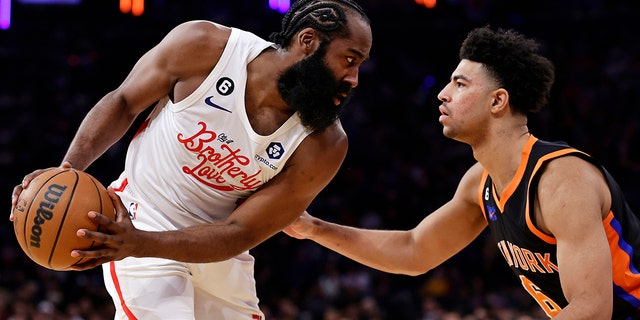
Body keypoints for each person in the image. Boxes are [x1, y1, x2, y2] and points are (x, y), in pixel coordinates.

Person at [10, 0, 372, 318]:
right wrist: (65, 172)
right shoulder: (206, 47)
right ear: (307, 42)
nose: (354, 78)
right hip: (141, 215)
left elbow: (238, 232)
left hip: (216, 250)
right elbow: (123, 102)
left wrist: (141, 243)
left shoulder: (323, 145)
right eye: (349, 60)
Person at [284, 26, 640, 319]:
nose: (442, 94)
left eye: (460, 84)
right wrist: (313, 228)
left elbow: (592, 309)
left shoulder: (560, 180)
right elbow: (414, 250)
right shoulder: (480, 182)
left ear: (497, 101)